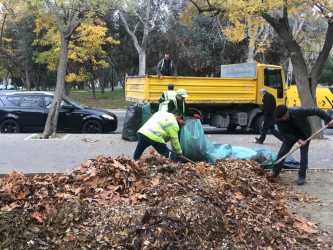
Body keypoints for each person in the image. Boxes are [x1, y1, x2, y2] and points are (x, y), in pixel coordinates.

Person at [269, 105, 333, 185]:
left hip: (304, 134)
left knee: (303, 155)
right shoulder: (279, 120)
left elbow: (316, 110)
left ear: (286, 114)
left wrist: (329, 119)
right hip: (290, 136)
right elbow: (284, 133)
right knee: (282, 153)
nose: (278, 120)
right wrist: (297, 139)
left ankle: (302, 176)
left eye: (280, 118)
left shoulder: (299, 111)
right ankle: (275, 172)